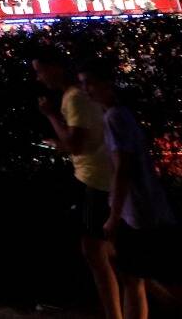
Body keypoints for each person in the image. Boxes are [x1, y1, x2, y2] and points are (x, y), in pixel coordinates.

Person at [79, 62, 182, 319]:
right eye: (82, 84)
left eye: (89, 83)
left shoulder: (115, 117)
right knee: (136, 278)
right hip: (142, 214)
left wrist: (114, 215)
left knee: (169, 282)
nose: (86, 90)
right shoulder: (119, 115)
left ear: (108, 84)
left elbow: (124, 167)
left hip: (142, 217)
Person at [32, 46, 121, 319]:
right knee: (110, 253)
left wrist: (49, 115)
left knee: (97, 253)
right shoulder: (80, 96)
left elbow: (75, 144)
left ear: (55, 68)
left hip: (94, 179)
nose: (39, 78)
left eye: (40, 71)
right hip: (99, 178)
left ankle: (115, 311)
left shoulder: (73, 98)